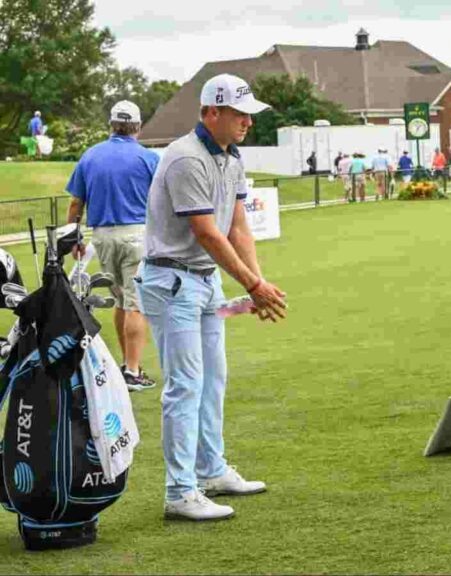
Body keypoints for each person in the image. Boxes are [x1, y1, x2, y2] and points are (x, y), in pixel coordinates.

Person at [137, 73, 288, 522]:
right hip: (172, 282)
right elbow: (206, 232)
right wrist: (254, 287)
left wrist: (257, 284)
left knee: (212, 380)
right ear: (211, 112)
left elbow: (239, 227)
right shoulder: (185, 158)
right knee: (184, 386)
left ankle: (211, 470)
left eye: (249, 115)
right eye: (239, 114)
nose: (247, 122)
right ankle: (180, 492)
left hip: (204, 283)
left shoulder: (231, 157)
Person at [65, 100, 160, 392]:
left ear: (111, 124)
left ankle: (127, 366)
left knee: (121, 301)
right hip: (137, 235)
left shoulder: (90, 156)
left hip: (102, 236)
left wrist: (74, 237)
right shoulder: (148, 158)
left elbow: (75, 202)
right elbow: (163, 201)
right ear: (138, 126)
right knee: (136, 304)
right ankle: (132, 370)